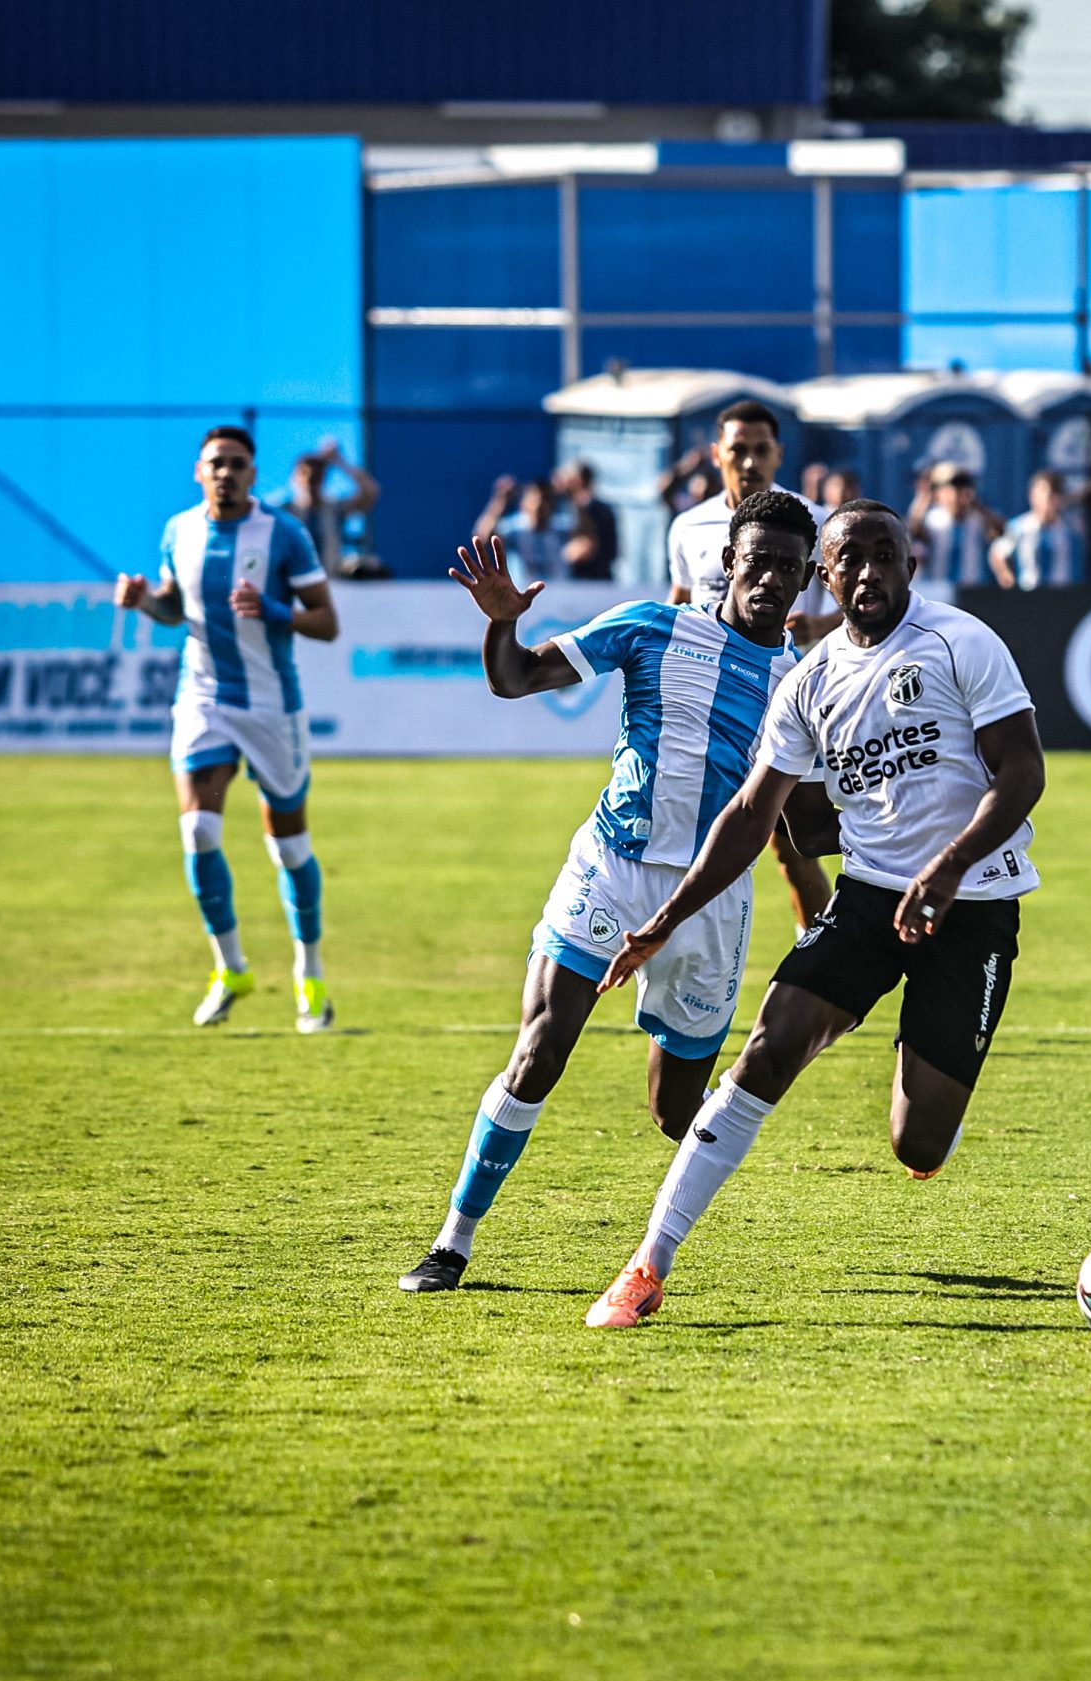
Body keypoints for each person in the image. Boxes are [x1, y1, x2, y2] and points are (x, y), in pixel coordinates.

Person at [579, 500, 1047, 1329]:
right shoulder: (808, 681)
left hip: (972, 905)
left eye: (885, 555)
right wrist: (666, 919)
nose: (869, 572)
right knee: (765, 1050)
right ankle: (648, 1263)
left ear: (911, 562)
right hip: (869, 901)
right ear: (824, 577)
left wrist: (945, 869)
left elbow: (1022, 775)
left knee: (918, 1144)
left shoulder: (961, 642)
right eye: (850, 560)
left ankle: (919, 1061)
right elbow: (754, 816)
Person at [397, 492, 827, 1294]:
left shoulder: (803, 682)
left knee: (676, 1111)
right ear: (728, 560)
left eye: (788, 568)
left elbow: (806, 824)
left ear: (807, 581)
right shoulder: (652, 628)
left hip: (712, 898)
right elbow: (516, 678)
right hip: (613, 868)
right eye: (757, 560)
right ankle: (452, 1243)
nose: (770, 579)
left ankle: (669, 1233)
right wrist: (500, 621)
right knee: (539, 1051)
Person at [115, 425, 341, 1031]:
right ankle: (230, 965)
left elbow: (327, 622)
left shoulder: (284, 534)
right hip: (203, 698)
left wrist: (271, 610)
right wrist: (143, 600)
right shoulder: (178, 531)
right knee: (199, 832)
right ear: (198, 471)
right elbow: (172, 608)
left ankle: (310, 975)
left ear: (251, 473)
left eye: (238, 464)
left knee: (289, 847)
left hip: (271, 705)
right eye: (216, 463)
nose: (226, 473)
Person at [665, 400, 833, 928]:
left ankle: (823, 958)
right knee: (683, 833)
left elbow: (864, 608)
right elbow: (678, 603)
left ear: (779, 454)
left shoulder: (814, 522)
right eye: (738, 450)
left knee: (792, 846)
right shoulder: (689, 527)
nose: (749, 462)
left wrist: (819, 629)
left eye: (761, 450)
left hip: (785, 697)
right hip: (707, 702)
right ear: (717, 454)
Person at [281, 438, 380, 575]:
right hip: (290, 586)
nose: (311, 478)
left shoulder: (334, 509)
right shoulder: (282, 511)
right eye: (305, 472)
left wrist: (339, 461)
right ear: (294, 478)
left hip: (331, 585)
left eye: (317, 473)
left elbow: (370, 493)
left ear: (324, 478)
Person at [908, 462, 1001, 589]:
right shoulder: (932, 519)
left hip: (972, 589)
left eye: (961, 489)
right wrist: (926, 495)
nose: (955, 495)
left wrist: (976, 502)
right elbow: (913, 532)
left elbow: (998, 532)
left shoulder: (978, 519)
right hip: (939, 589)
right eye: (950, 489)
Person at [991, 470, 1084, 590]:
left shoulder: (1070, 527)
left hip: (1062, 596)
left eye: (1054, 493)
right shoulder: (1020, 526)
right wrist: (1006, 576)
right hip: (1029, 595)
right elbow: (997, 553)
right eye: (1044, 492)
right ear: (1032, 495)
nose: (1049, 498)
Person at [473, 476, 565, 583]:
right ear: (524, 502)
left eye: (547, 499)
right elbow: (483, 537)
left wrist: (573, 494)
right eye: (536, 500)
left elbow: (585, 542)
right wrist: (501, 501)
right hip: (521, 594)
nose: (541, 505)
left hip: (559, 594)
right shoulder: (514, 530)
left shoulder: (563, 528)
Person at [559, 462, 618, 582]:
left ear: (578, 479)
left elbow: (587, 549)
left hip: (589, 582)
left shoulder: (591, 509)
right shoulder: (570, 507)